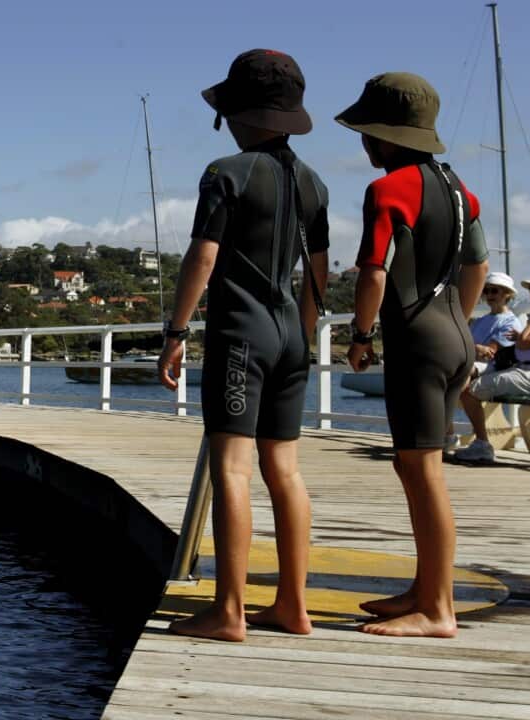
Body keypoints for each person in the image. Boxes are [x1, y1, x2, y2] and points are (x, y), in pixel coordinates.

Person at [157, 49, 327, 642]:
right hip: (291, 336)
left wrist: (175, 332)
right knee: (286, 469)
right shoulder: (314, 182)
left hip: (241, 335)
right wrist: (301, 335)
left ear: (241, 114)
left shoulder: (225, 172)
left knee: (233, 468)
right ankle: (292, 605)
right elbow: (319, 274)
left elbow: (204, 255)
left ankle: (229, 611)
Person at [339, 72, 489, 637]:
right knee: (413, 465)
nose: (362, 144)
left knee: (424, 471)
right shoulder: (460, 190)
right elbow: (475, 264)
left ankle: (438, 610)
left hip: (418, 342)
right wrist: (459, 322)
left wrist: (360, 335)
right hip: (455, 334)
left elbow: (374, 272)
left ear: (382, 136)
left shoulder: (388, 190)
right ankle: (424, 590)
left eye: (364, 132)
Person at [453, 270, 530, 463]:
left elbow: (523, 343)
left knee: (469, 390)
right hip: (525, 370)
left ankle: (481, 444)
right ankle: (449, 434)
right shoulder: (483, 320)